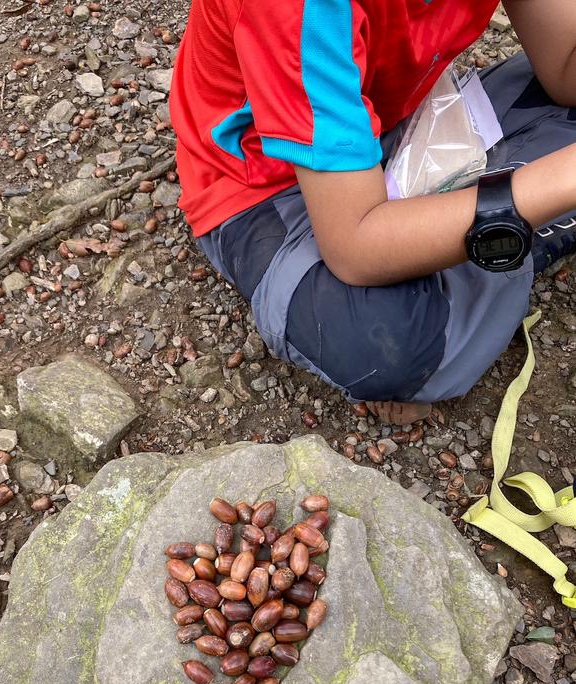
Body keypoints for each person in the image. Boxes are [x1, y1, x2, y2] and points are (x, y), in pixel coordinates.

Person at [169, 1, 576, 424]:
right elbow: (354, 247)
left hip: (394, 117)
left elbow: (565, 68)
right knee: (385, 343)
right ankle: (508, 237)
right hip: (270, 186)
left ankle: (488, 249)